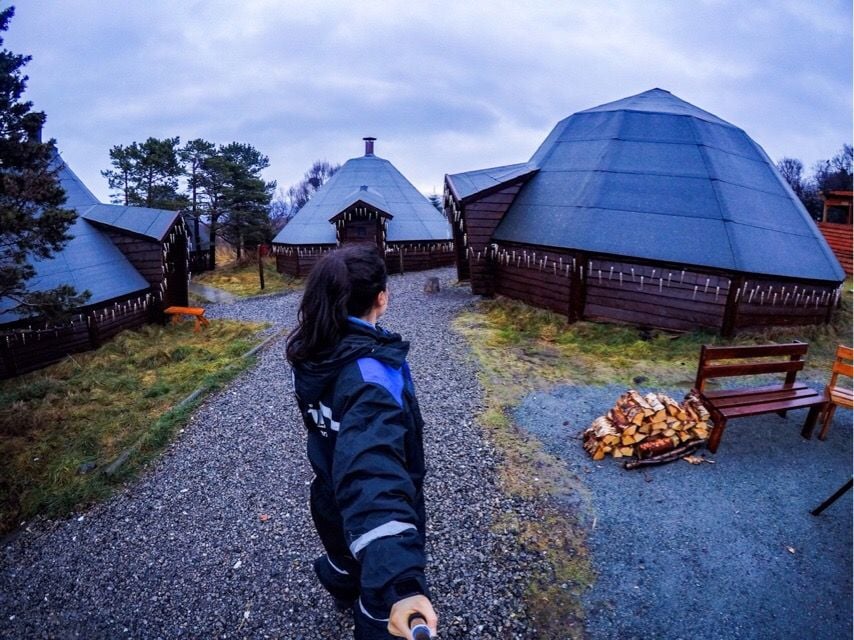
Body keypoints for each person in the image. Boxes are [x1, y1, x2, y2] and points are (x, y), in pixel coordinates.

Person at [286, 244, 438, 640]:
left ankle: (341, 587)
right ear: (381, 298)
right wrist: (399, 582)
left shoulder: (315, 351)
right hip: (371, 505)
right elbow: (373, 468)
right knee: (378, 596)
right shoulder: (371, 375)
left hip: (330, 492)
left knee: (343, 553)